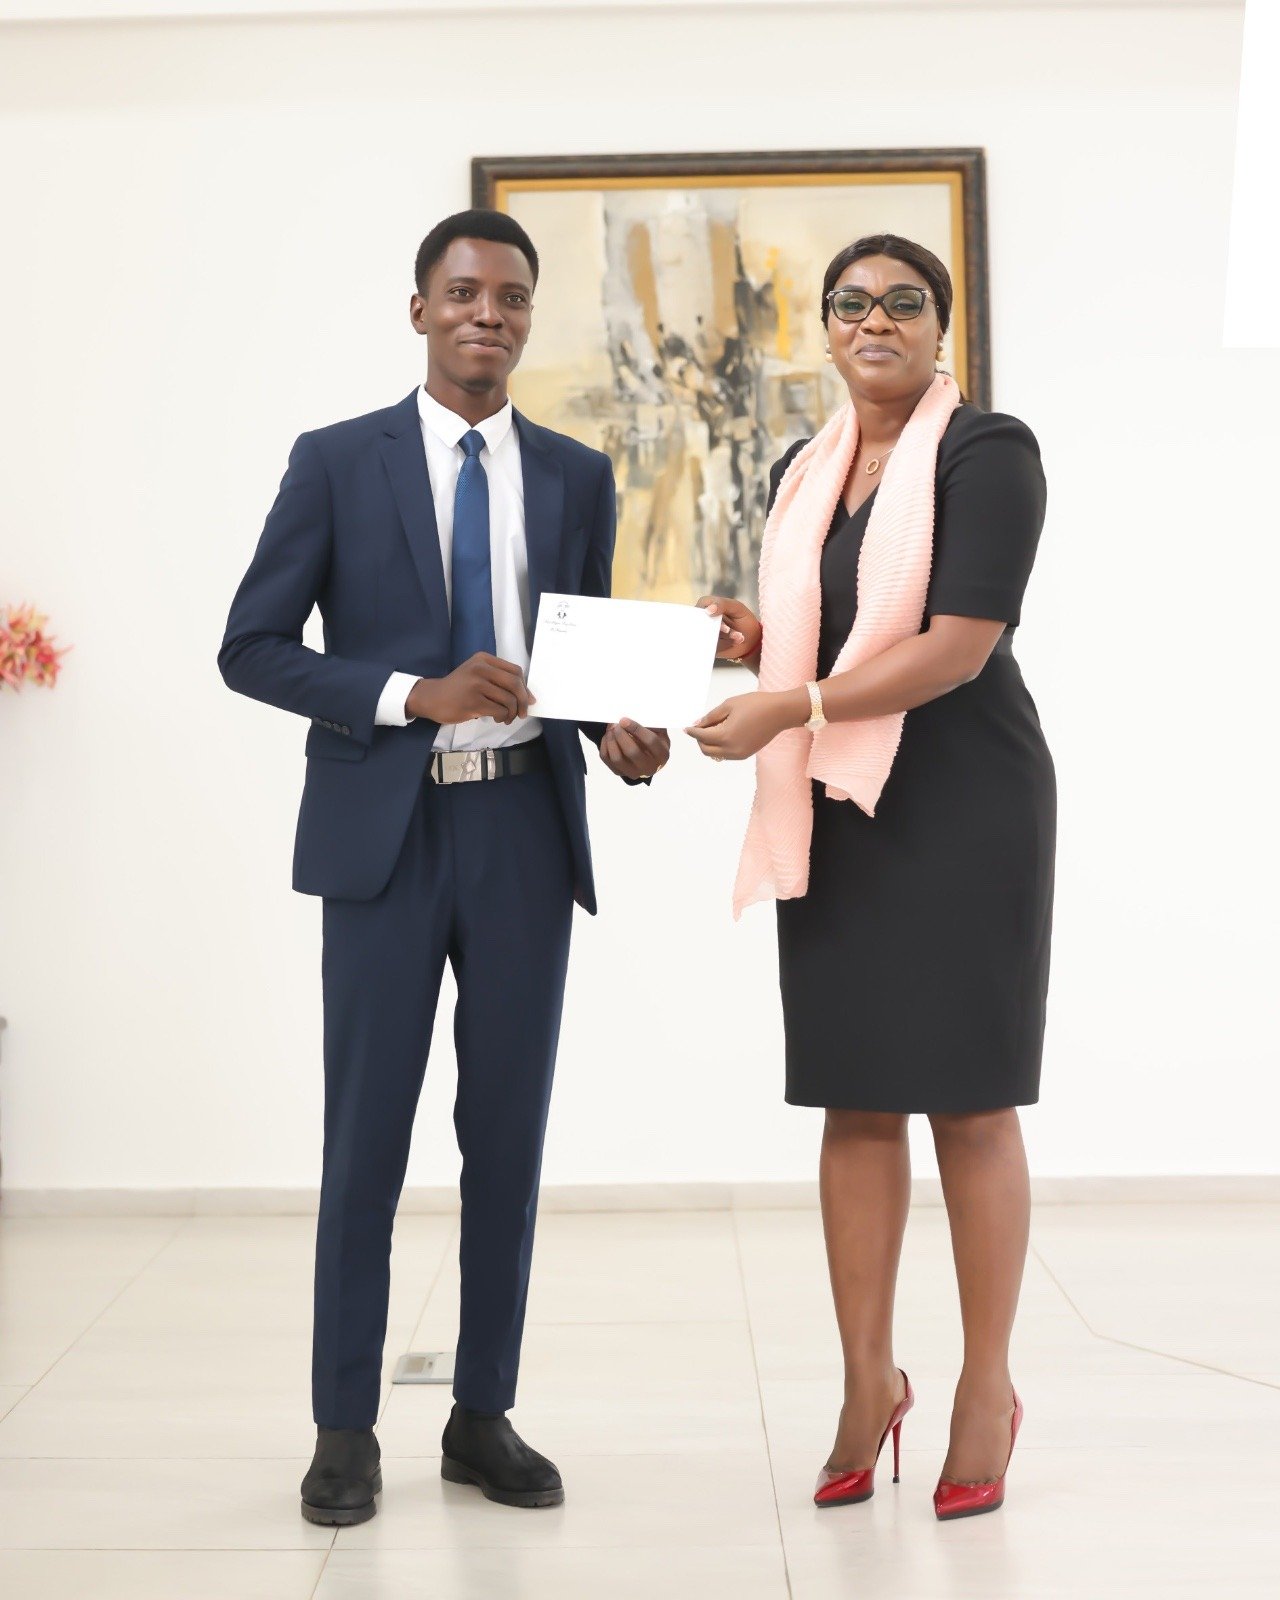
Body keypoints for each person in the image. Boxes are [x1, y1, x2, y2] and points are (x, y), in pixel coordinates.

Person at [219, 209, 670, 1525]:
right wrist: (411, 693)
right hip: (388, 838)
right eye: (465, 292)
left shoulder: (578, 475)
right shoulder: (335, 461)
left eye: (512, 296)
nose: (489, 313)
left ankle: (482, 1415)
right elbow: (252, 647)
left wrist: (621, 734)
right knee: (365, 1140)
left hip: (525, 830)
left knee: (507, 1139)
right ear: (419, 309)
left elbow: (578, 669)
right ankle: (343, 1430)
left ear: (529, 317)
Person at [689, 233, 1054, 1522]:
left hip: (966, 806)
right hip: (842, 808)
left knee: (970, 1103)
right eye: (851, 304)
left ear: (940, 326)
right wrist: (757, 642)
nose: (876, 320)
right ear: (829, 329)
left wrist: (789, 702)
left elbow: (955, 648)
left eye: (904, 302)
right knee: (853, 1101)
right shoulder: (806, 469)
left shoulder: (988, 452)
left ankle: (984, 1390)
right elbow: (831, 634)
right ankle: (866, 1384)